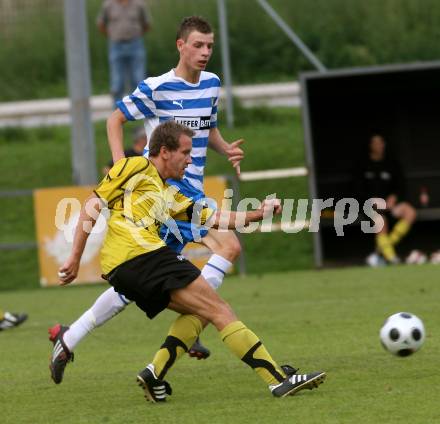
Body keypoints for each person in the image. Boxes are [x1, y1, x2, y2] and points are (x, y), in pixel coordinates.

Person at [54, 120, 326, 401]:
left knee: (202, 311)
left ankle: (155, 373)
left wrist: (258, 214)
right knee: (220, 311)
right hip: (144, 257)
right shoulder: (135, 166)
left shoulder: (170, 193)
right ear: (163, 152)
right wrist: (74, 257)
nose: (190, 159)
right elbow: (91, 205)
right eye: (185, 152)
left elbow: (214, 218)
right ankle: (278, 381)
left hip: (123, 271)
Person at [48, 16, 245, 383]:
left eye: (210, 46)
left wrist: (225, 148)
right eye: (198, 45)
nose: (205, 53)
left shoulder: (212, 85)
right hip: (168, 194)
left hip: (193, 192)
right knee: (228, 245)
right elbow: (113, 120)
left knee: (132, 286)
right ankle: (194, 323)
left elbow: (208, 127)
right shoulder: (157, 87)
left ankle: (69, 338)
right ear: (180, 46)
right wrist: (124, 167)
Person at [356, 134, 416, 264]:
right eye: (375, 143)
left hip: (389, 204)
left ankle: (382, 248)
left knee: (410, 212)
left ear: (384, 144)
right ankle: (391, 257)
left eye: (380, 142)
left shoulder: (392, 163)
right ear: (370, 145)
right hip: (369, 206)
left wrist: (393, 198)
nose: (378, 145)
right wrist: (371, 200)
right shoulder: (362, 165)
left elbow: (400, 187)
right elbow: (357, 190)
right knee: (380, 220)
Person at [97, 0, 151, 105]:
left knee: (138, 78)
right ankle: (117, 111)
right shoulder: (108, 4)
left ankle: (140, 110)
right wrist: (112, 35)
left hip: (135, 44)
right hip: (116, 45)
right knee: (117, 82)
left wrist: (138, 34)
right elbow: (101, 24)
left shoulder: (139, 4)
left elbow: (147, 23)